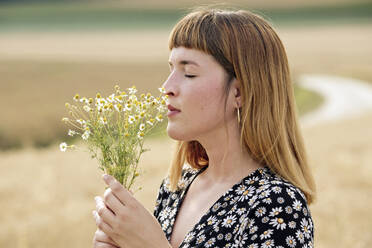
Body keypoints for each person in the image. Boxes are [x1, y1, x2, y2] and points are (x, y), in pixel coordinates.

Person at [92, 7, 316, 248]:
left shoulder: (278, 205)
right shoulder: (176, 188)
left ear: (238, 92)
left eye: (188, 73)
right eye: (171, 69)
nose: (167, 86)